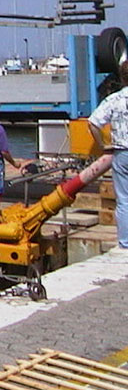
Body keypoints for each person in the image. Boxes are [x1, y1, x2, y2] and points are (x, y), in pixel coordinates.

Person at [88, 60, 128, 249]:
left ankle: (125, 242)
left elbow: (93, 122)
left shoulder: (114, 99)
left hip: (121, 153)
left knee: (124, 201)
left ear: (122, 77)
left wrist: (103, 144)